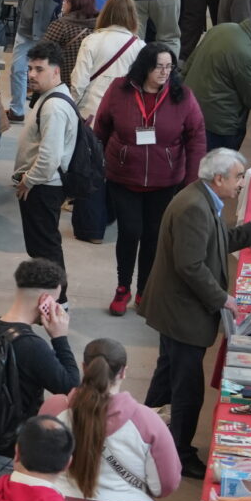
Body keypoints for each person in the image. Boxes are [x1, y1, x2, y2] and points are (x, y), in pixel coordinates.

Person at [141, 149, 251, 478]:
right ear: (220, 178)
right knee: (187, 387)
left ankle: (145, 435)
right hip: (181, 312)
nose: (242, 184)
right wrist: (222, 297)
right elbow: (191, 265)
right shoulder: (195, 207)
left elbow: (214, 242)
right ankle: (177, 452)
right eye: (239, 177)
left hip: (175, 309)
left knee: (168, 374)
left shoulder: (202, 197)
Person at [41, 338, 179, 501]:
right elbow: (165, 485)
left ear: (84, 368)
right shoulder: (147, 421)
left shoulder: (56, 409)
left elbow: (39, 465)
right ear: (123, 372)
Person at [95, 43, 205, 317]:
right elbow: (102, 127)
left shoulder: (183, 96)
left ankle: (145, 289)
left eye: (169, 67)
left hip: (165, 180)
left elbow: (196, 136)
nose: (165, 72)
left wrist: (191, 182)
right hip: (123, 176)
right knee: (130, 231)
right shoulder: (119, 90)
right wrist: (105, 159)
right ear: (145, 66)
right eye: (159, 66)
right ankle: (123, 287)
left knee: (153, 236)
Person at [0, 259, 80, 483]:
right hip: (13, 452)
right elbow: (72, 387)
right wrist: (60, 337)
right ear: (45, 300)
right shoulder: (31, 345)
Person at [13, 44, 76, 298]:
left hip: (43, 186)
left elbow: (49, 156)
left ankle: (58, 299)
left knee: (46, 247)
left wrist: (29, 180)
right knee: (42, 245)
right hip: (42, 184)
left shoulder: (54, 107)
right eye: (30, 68)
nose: (31, 74)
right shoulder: (49, 98)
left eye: (39, 69)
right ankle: (50, 294)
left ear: (56, 71)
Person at [183, 14, 251, 152]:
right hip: (219, 122)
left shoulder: (223, 28)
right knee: (219, 167)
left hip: (192, 107)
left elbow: (189, 64)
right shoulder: (248, 55)